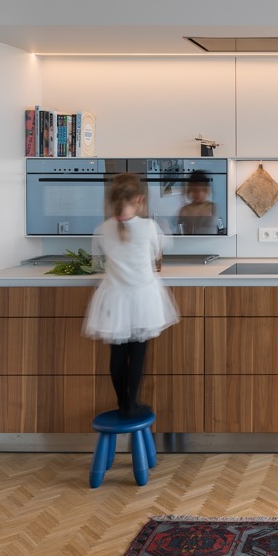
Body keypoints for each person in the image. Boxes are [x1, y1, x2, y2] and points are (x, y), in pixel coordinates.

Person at [82, 172, 178, 419]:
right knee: (138, 354)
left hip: (113, 298)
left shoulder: (101, 229)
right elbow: (159, 252)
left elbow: (96, 264)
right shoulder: (148, 227)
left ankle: (123, 403)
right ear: (139, 199)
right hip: (143, 297)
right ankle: (132, 404)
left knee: (117, 354)